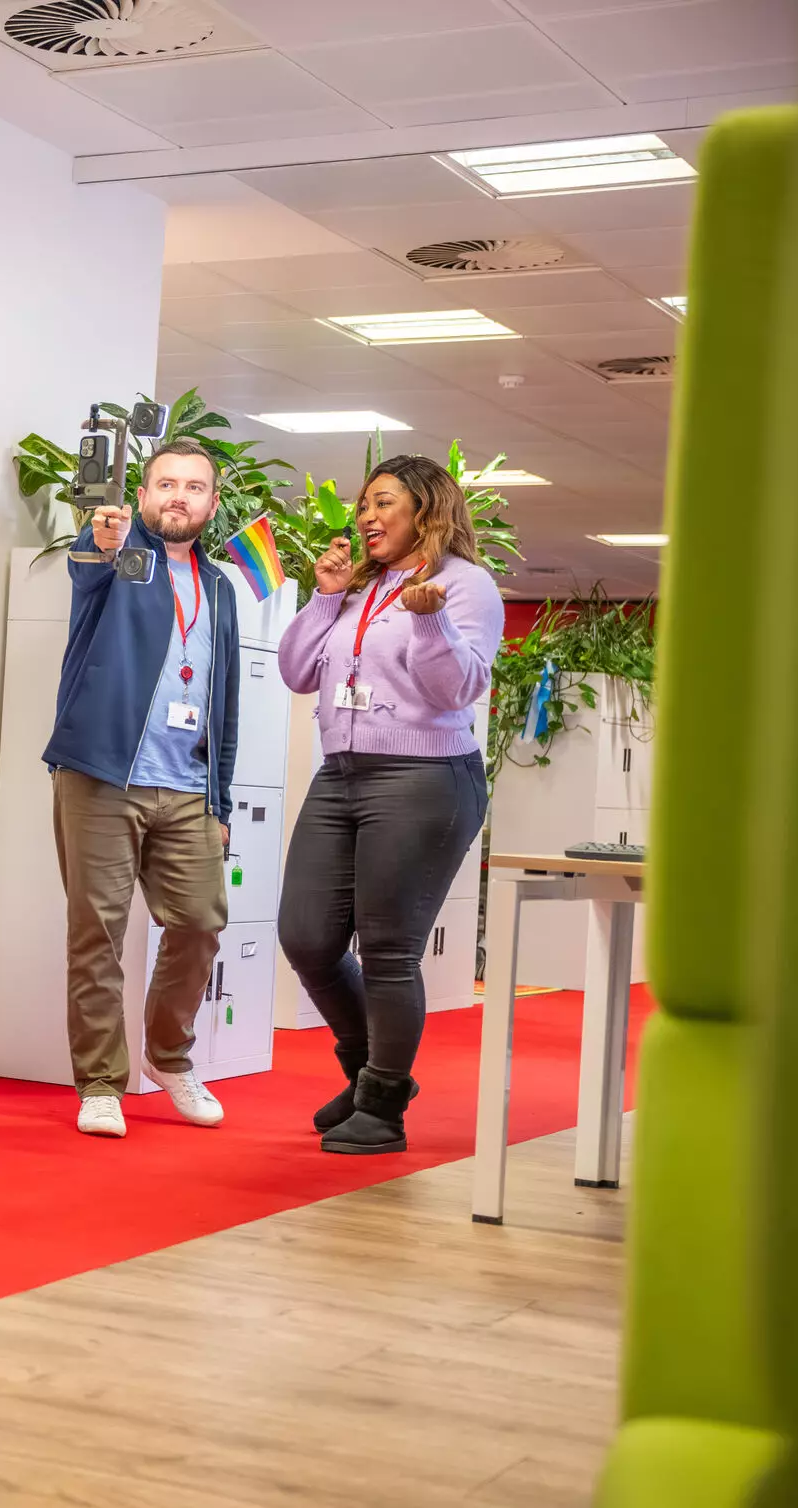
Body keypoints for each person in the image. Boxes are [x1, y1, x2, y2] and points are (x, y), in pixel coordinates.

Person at [275, 454, 502, 1155]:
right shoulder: (361, 588)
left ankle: (381, 1107)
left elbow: (455, 690)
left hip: (424, 777)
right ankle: (376, 1073)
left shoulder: (466, 586)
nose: (367, 518)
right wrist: (324, 598)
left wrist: (431, 623)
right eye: (364, 505)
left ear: (426, 511)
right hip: (342, 773)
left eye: (384, 504)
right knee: (306, 935)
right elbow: (297, 671)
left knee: (388, 950)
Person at [43, 441, 241, 1139]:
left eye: (193, 486)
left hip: (187, 785)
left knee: (200, 922)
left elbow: (225, 700)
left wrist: (219, 799)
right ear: (145, 494)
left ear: (213, 503)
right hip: (102, 775)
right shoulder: (122, 557)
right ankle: (101, 1081)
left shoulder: (219, 588)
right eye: (165, 484)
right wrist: (101, 538)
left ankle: (169, 1057)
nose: (178, 496)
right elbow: (90, 563)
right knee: (97, 933)